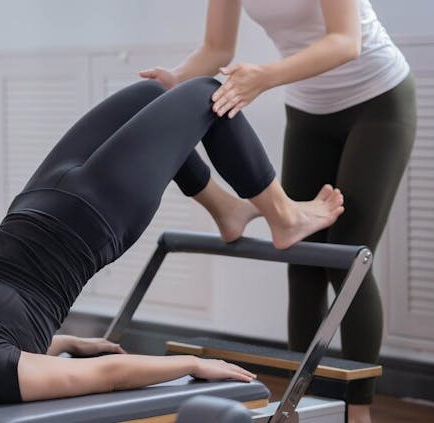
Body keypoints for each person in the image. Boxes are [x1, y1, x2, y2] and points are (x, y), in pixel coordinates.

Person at [0, 77, 343, 406]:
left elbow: (20, 341)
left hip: (41, 198)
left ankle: (226, 209)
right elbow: (101, 376)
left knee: (154, 92)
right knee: (211, 94)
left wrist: (64, 343)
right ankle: (282, 216)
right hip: (95, 217)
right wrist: (190, 365)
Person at [139, 1, 415, 422]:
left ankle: (358, 413)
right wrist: (176, 79)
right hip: (308, 110)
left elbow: (346, 42)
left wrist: (264, 77)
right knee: (301, 257)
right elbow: (216, 48)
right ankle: (302, 406)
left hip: (376, 99)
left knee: (347, 258)